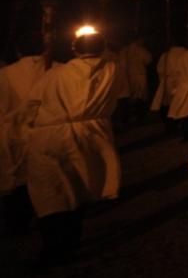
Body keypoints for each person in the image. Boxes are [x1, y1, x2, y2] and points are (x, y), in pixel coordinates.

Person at [26, 26, 124, 263]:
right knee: (81, 184)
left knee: (49, 191)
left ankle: (53, 244)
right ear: (104, 47)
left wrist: (29, 125)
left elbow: (33, 102)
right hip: (91, 133)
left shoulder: (55, 73)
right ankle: (71, 238)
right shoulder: (113, 70)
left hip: (50, 133)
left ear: (74, 49)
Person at [0, 31, 50, 237]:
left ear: (18, 50)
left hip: (13, 132)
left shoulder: (6, 74)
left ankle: (16, 222)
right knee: (41, 177)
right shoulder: (55, 70)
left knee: (15, 178)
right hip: (45, 130)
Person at [150, 41, 187, 130]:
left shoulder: (166, 55)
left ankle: (169, 124)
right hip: (182, 82)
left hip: (168, 82)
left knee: (167, 103)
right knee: (180, 103)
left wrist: (163, 80)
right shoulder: (186, 54)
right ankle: (178, 123)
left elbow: (160, 69)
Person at [117, 35, 153, 123]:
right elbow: (148, 60)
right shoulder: (142, 50)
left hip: (128, 76)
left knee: (131, 96)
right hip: (140, 75)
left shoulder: (124, 51)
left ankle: (130, 116)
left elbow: (121, 64)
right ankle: (140, 116)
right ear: (138, 40)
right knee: (140, 96)